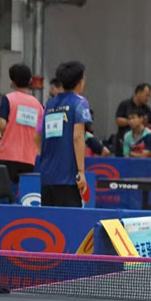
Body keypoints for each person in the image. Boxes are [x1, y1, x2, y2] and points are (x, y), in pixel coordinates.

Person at [40, 61, 91, 207]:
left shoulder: (49, 104)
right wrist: (81, 171)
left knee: (49, 220)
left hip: (47, 176)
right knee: (70, 220)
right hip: (68, 179)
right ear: (80, 82)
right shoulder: (80, 102)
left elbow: (39, 135)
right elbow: (78, 137)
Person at [0, 63, 43, 184]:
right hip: (29, 158)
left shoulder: (8, 99)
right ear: (30, 81)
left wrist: (7, 133)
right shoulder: (38, 105)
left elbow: (2, 125)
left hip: (8, 155)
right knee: (24, 190)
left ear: (12, 82)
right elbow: (40, 132)